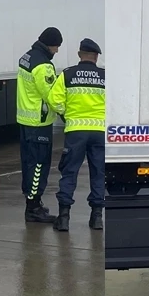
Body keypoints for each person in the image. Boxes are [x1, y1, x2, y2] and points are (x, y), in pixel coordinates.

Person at [48, 38, 106, 231]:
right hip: (99, 132)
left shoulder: (68, 74)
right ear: (96, 57)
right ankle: (96, 218)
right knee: (98, 173)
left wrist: (67, 115)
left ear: (80, 54)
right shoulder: (106, 76)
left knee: (69, 172)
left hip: (76, 132)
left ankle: (64, 218)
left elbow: (54, 101)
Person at [17, 27, 62, 223]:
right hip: (39, 122)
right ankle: (33, 207)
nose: (57, 51)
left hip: (25, 120)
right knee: (38, 165)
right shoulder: (44, 66)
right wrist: (66, 113)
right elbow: (52, 96)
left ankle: (32, 202)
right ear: (50, 44)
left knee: (28, 163)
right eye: (57, 46)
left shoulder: (26, 57)